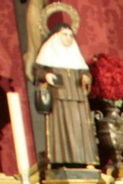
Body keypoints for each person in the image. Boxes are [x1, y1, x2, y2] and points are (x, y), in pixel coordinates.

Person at [30, 14, 95, 171]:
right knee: (61, 129)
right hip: (59, 99)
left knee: (80, 129)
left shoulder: (75, 55)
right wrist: (46, 75)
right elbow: (37, 70)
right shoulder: (48, 52)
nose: (68, 38)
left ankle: (85, 159)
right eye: (64, 35)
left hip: (77, 99)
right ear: (57, 37)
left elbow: (85, 73)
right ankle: (61, 160)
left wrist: (86, 78)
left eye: (70, 35)